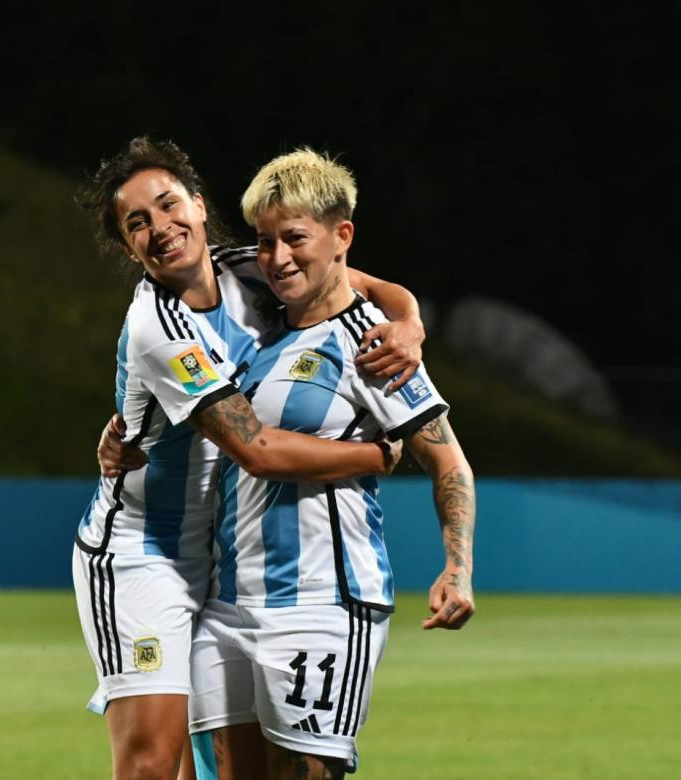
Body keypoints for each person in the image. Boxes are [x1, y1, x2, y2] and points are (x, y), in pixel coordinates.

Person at [72, 137, 428, 780]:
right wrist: (376, 455)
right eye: (137, 224)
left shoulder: (246, 265)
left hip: (222, 553)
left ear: (201, 206)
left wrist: (409, 321)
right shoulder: (160, 326)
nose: (160, 228)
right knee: (153, 762)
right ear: (128, 249)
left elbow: (361, 282)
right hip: (142, 553)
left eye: (168, 204)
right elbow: (255, 448)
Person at [186, 149, 476, 780]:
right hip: (228, 600)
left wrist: (458, 566)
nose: (277, 258)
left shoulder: (374, 343)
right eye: (265, 242)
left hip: (322, 603)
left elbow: (446, 458)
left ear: (342, 235)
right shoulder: (259, 327)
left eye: (294, 239)